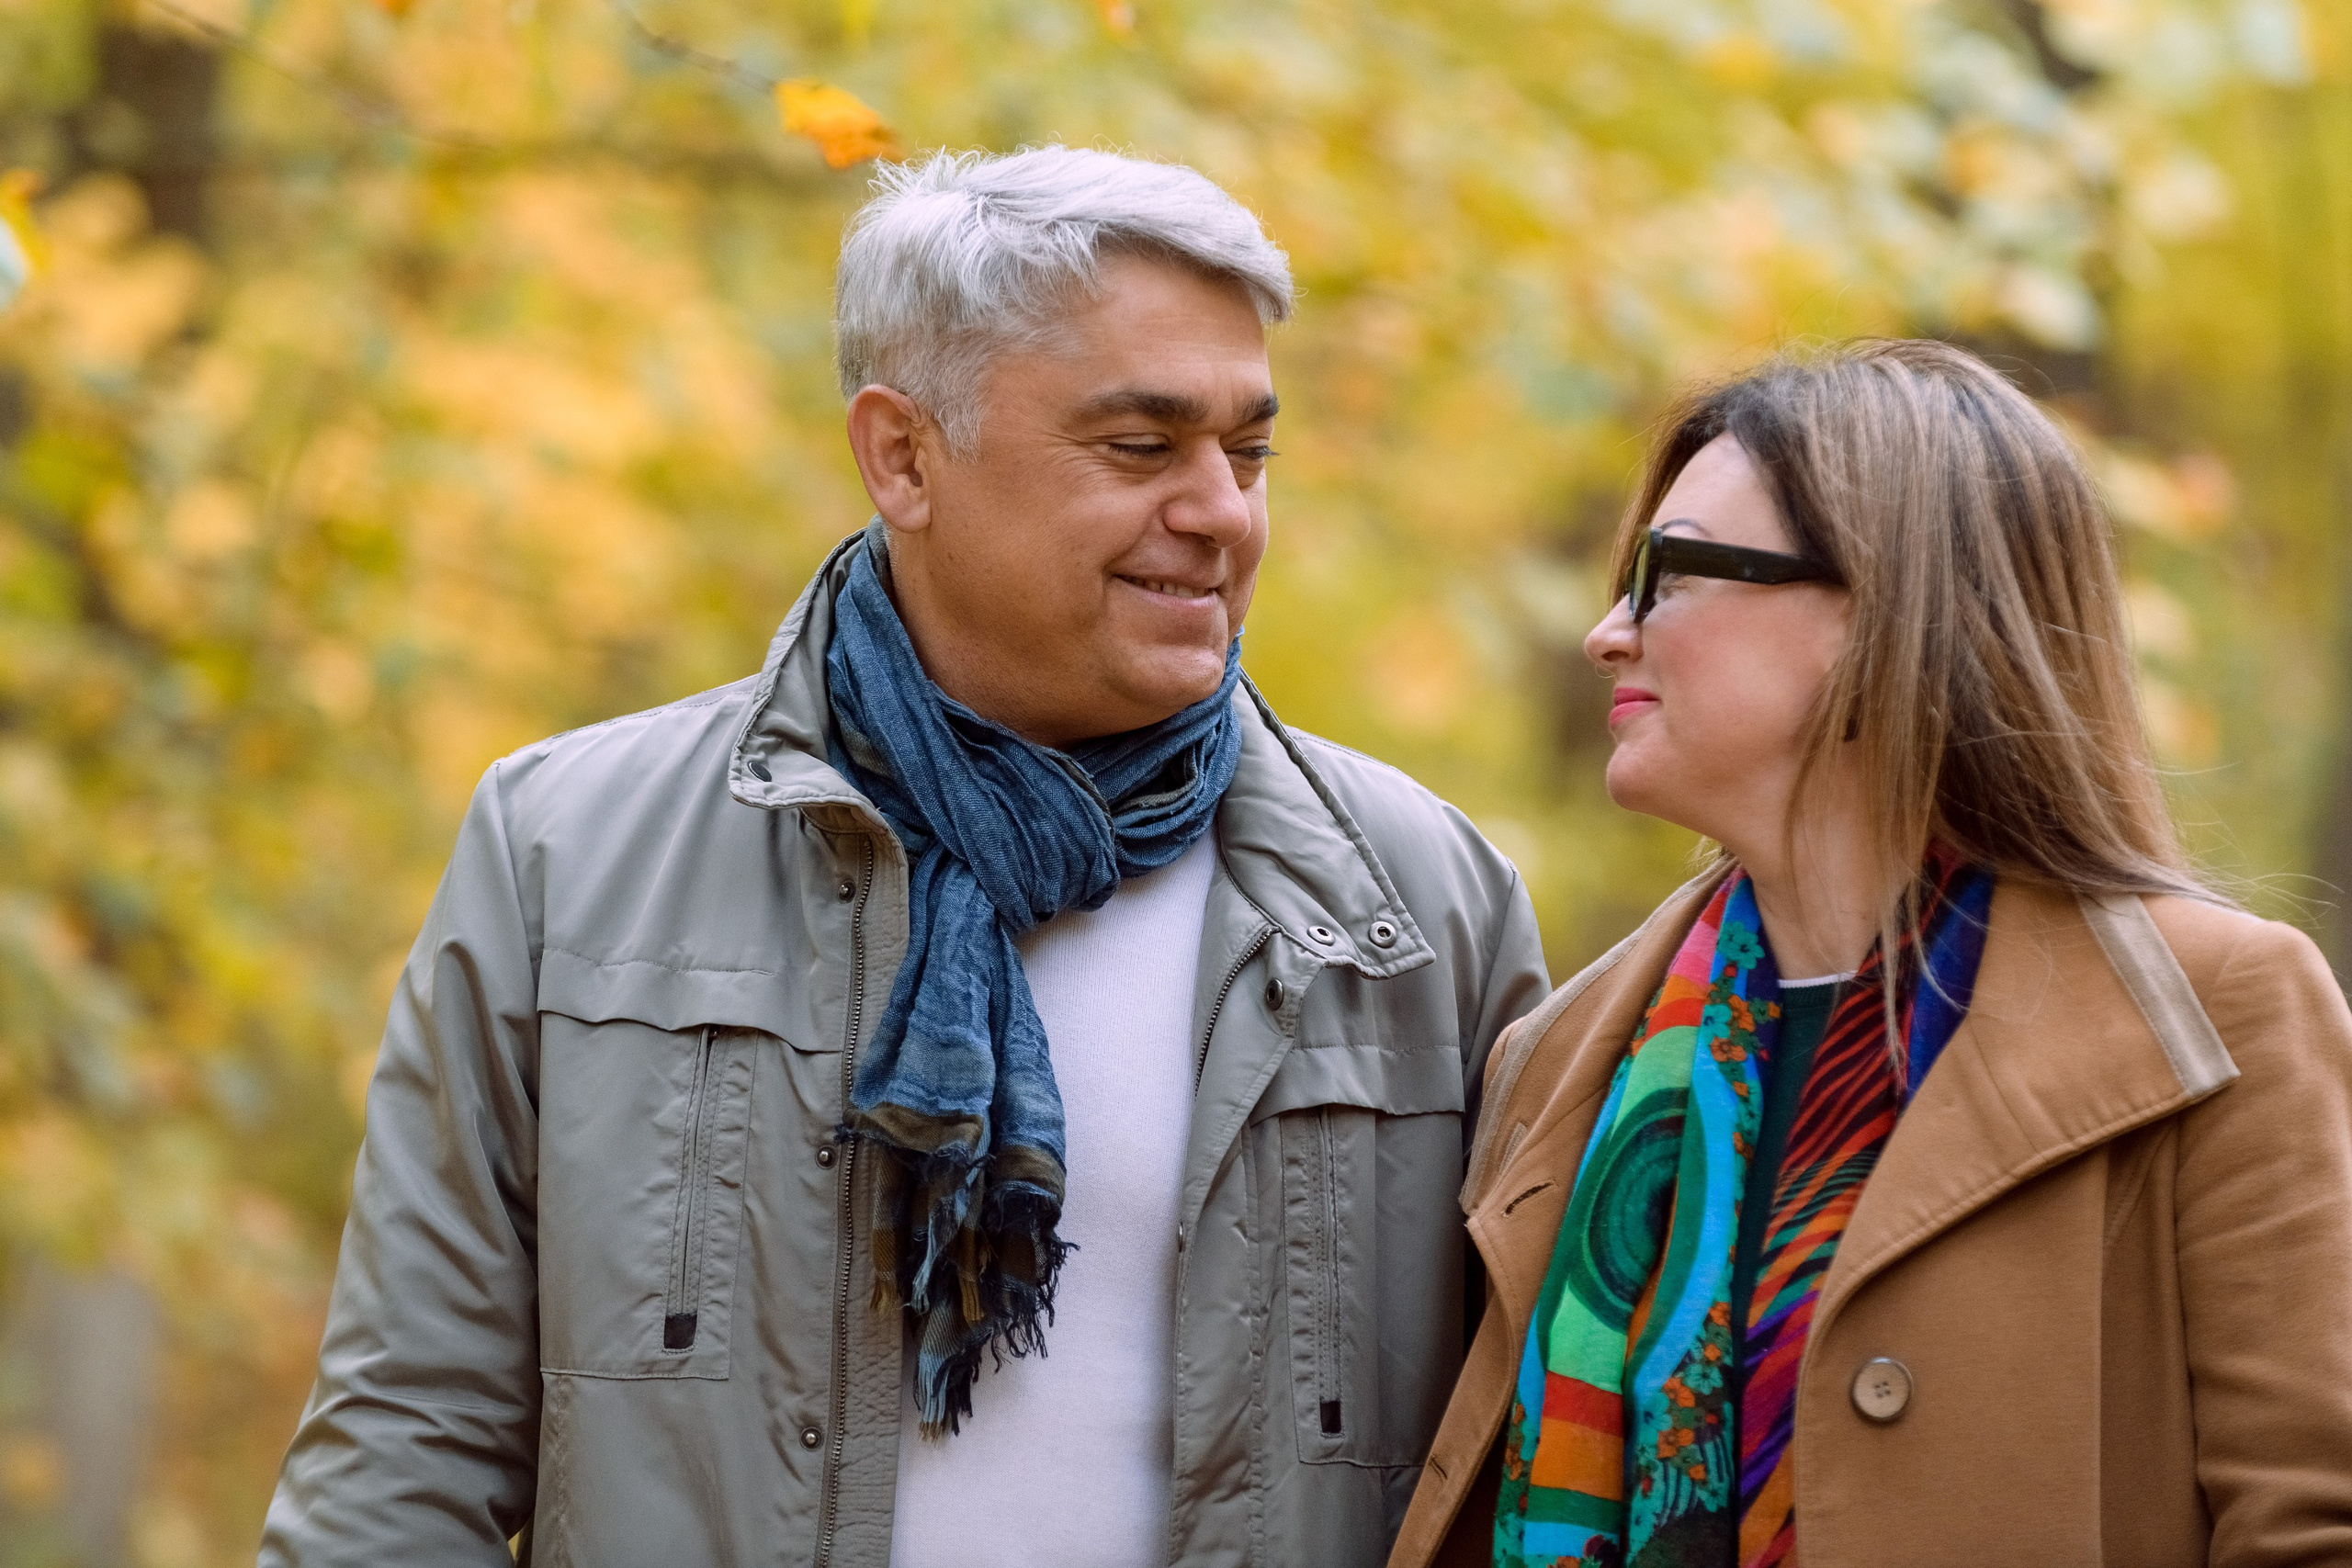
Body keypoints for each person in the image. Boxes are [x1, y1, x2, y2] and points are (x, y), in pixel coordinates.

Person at [258, 146, 1550, 1568]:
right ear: (903, 454)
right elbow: (405, 1451)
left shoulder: (1421, 909)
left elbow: (1532, 1478)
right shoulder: (568, 850)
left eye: (1248, 453)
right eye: (1140, 448)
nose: (1223, 513)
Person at [1388, 340, 2352, 1568]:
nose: (1606, 634)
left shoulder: (2220, 1014)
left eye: (1666, 577)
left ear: (1877, 611)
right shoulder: (1560, 1059)